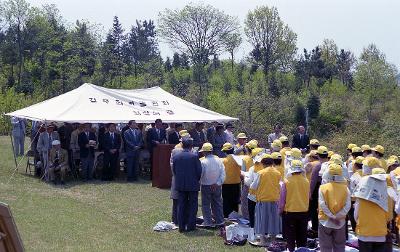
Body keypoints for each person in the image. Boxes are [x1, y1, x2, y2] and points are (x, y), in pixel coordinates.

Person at [354, 167, 391, 252]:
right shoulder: (388, 193)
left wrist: (361, 222)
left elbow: (356, 214)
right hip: (380, 233)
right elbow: (389, 216)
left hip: (364, 233)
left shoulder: (362, 194)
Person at [250, 153, 282, 246]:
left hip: (263, 199)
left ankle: (263, 241)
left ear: (263, 164)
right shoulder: (278, 173)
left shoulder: (261, 173)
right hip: (275, 199)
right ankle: (273, 241)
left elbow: (253, 186)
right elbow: (280, 185)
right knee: (273, 220)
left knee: (261, 220)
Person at [318, 163, 351, 252]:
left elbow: (322, 204)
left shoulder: (323, 188)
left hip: (325, 221)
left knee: (325, 247)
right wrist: (338, 216)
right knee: (339, 246)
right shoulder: (346, 188)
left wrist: (331, 216)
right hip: (340, 222)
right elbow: (348, 205)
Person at [279, 160, 310, 252]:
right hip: (304, 212)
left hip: (290, 212)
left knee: (290, 236)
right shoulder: (306, 181)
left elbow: (282, 199)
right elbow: (308, 196)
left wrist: (280, 211)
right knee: (302, 235)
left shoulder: (286, 181)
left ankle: (291, 250)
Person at [172, 138, 202, 232]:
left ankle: (181, 226)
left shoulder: (176, 156)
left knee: (181, 205)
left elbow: (174, 170)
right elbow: (199, 171)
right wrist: (196, 180)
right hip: (192, 184)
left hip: (181, 184)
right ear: (191, 146)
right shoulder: (194, 156)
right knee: (193, 205)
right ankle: (191, 226)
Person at [199, 143, 226, 227]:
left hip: (206, 185)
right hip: (217, 185)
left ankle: (208, 222)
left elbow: (200, 174)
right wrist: (217, 183)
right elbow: (223, 174)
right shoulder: (219, 160)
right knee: (217, 203)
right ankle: (220, 221)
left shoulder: (203, 162)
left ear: (204, 152)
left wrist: (200, 182)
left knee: (206, 204)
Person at [170, 131, 191, 225]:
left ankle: (180, 219)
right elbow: (172, 165)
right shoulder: (176, 150)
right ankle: (177, 219)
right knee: (178, 199)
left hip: (178, 177)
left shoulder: (177, 150)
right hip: (181, 177)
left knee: (181, 199)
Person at [309, 145, 329, 232]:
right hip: (329, 189)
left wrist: (309, 193)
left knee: (315, 210)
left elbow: (313, 181)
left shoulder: (318, 166)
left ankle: (315, 229)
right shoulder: (331, 164)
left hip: (318, 189)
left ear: (318, 155)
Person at [221, 142, 241, 217]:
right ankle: (235, 216)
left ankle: (226, 215)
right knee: (235, 200)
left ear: (225, 151)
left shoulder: (223, 160)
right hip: (236, 182)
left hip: (226, 183)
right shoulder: (238, 159)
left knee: (226, 201)